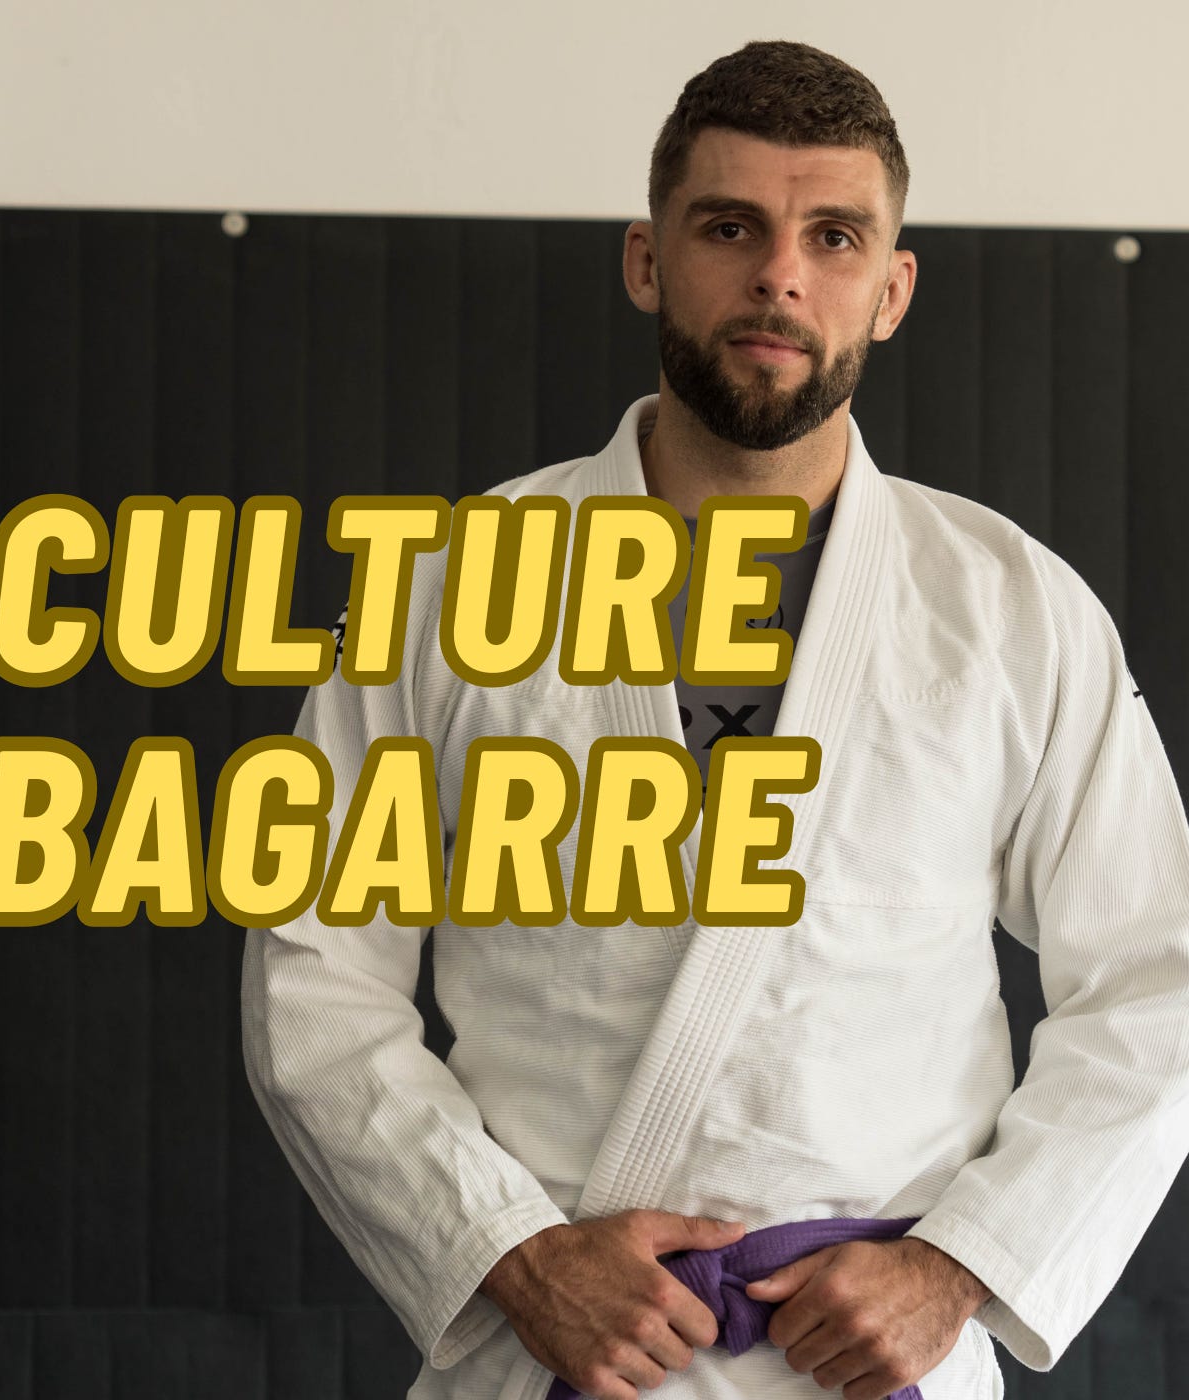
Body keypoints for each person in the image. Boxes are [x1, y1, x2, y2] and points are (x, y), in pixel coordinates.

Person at [240, 39, 1189, 1400]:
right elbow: (313, 967)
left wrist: (960, 1269)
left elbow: (1160, 977)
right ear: (647, 259)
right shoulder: (451, 584)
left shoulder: (1009, 608)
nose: (780, 276)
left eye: (835, 237)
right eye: (730, 227)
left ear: (892, 289)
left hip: (876, 1365)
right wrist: (507, 1251)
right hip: (558, 1352)